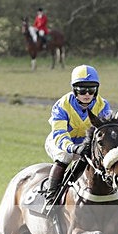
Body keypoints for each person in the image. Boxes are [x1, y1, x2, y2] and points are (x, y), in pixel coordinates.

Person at [44, 64, 112, 207]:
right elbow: (60, 134)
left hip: (87, 144)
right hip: (60, 142)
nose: (87, 94)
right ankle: (51, 199)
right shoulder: (61, 106)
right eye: (82, 90)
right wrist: (74, 148)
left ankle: (113, 199)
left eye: (91, 89)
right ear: (74, 89)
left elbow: (106, 132)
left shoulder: (103, 105)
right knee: (65, 157)